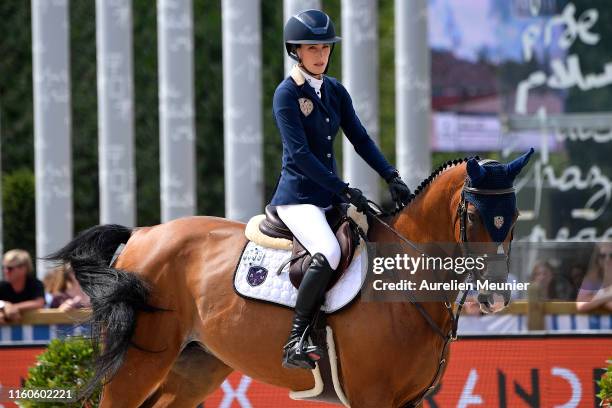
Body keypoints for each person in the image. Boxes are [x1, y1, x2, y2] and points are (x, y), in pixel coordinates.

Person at [272, 9, 411, 369]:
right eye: (311, 48)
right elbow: (300, 156)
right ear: (296, 51)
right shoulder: (286, 95)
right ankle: (295, 339)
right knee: (330, 251)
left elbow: (360, 139)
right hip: (299, 198)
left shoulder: (334, 91)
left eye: (325, 48)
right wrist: (345, 189)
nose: (320, 55)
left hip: (329, 196)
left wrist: (390, 175)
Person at [0, 249, 45, 324]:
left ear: (23, 268)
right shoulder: (2, 285)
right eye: (4, 268)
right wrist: (5, 306)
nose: (6, 271)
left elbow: (39, 303)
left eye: (9, 268)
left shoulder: (35, 284)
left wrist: (12, 308)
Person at [576, 241, 612, 312]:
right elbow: (581, 305)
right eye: (602, 256)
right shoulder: (593, 278)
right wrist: (607, 295)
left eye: (611, 256)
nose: (607, 259)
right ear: (597, 259)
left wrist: (597, 299)